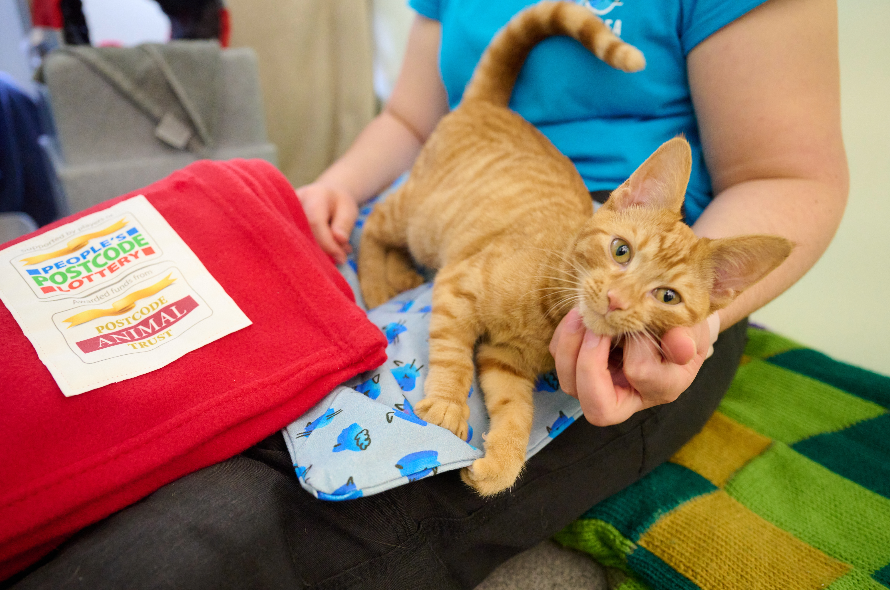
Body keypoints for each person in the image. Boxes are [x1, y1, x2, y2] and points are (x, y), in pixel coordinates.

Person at [5, 0, 847, 588]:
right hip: (459, 196)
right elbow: (413, 120)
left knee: (265, 505)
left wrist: (678, 337)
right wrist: (335, 188)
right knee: (149, 373)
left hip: (625, 302)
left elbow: (789, 173)